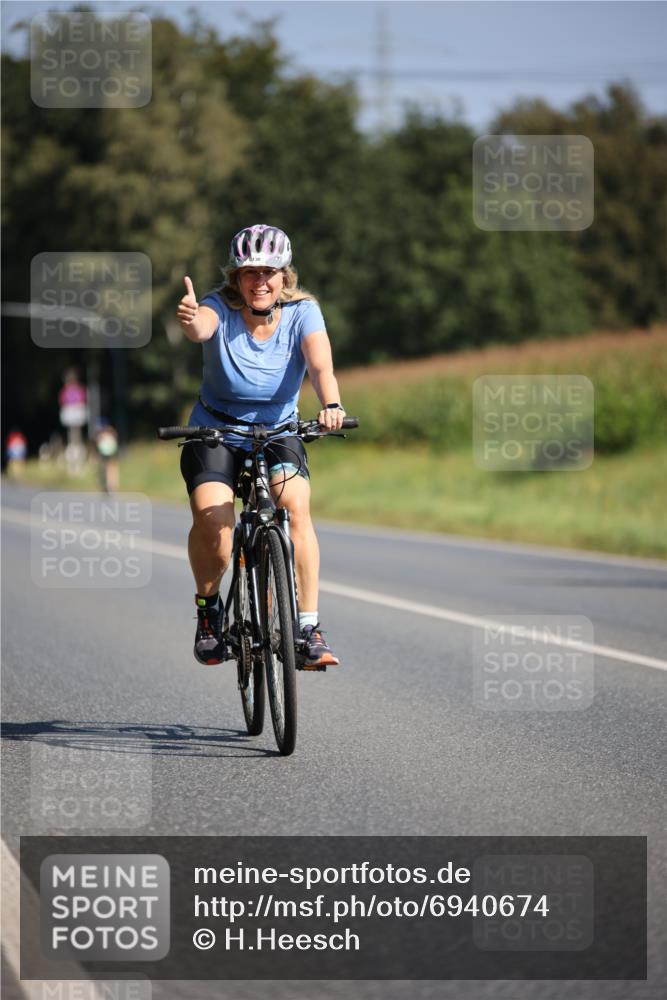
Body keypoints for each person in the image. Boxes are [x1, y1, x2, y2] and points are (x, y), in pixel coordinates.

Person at [175, 224, 346, 668]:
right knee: (217, 527)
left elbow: (320, 365)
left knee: (296, 505)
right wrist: (194, 323)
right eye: (250, 272)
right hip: (215, 433)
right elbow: (203, 327)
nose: (260, 281)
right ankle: (209, 613)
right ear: (236, 278)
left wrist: (331, 404)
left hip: (278, 431)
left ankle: (307, 629)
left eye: (269, 272)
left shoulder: (304, 312)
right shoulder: (217, 307)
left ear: (284, 276)